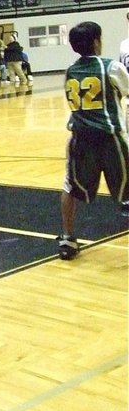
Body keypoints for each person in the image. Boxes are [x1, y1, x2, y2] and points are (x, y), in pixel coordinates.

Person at [57, 21, 129, 259]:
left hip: (80, 137)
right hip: (109, 137)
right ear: (97, 41)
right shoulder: (111, 67)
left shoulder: (70, 71)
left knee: (70, 186)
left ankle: (67, 238)